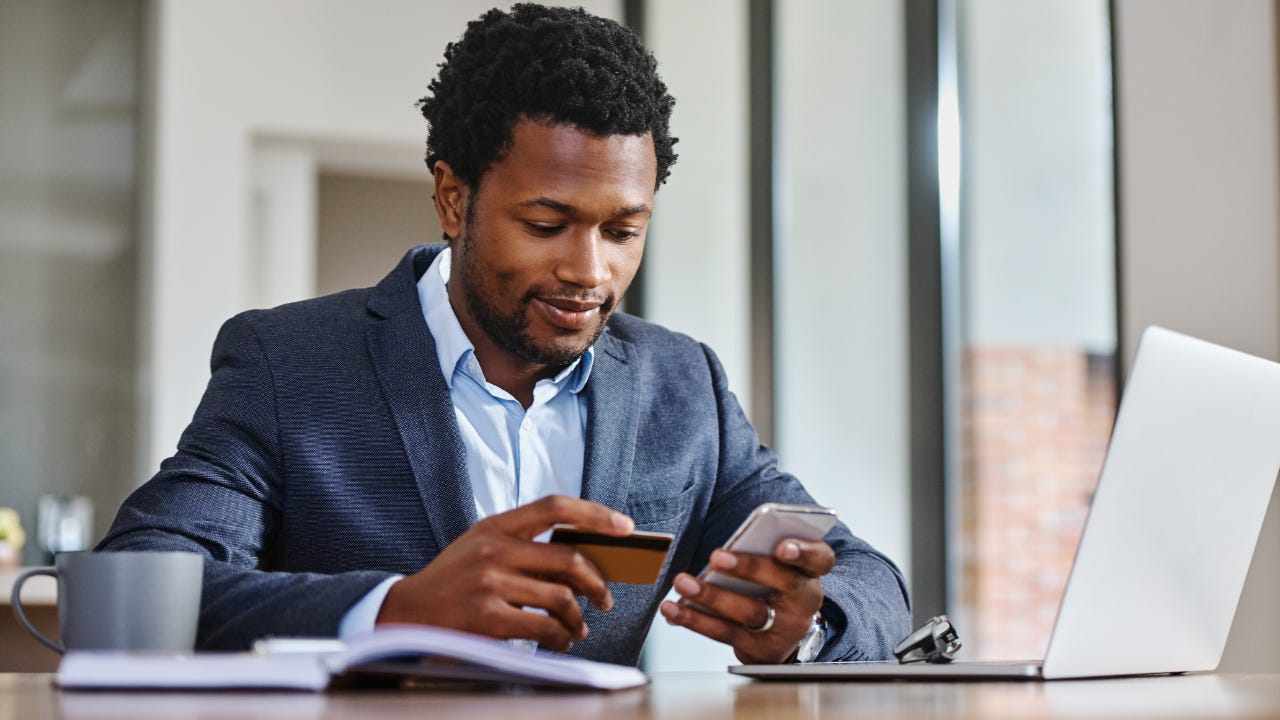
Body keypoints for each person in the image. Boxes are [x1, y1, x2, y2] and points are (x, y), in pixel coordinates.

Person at [99, 3, 910, 665]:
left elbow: (870, 579)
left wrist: (803, 624)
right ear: (454, 200)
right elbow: (139, 582)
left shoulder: (680, 385)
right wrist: (400, 609)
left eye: (623, 231)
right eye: (547, 223)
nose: (589, 270)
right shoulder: (291, 364)